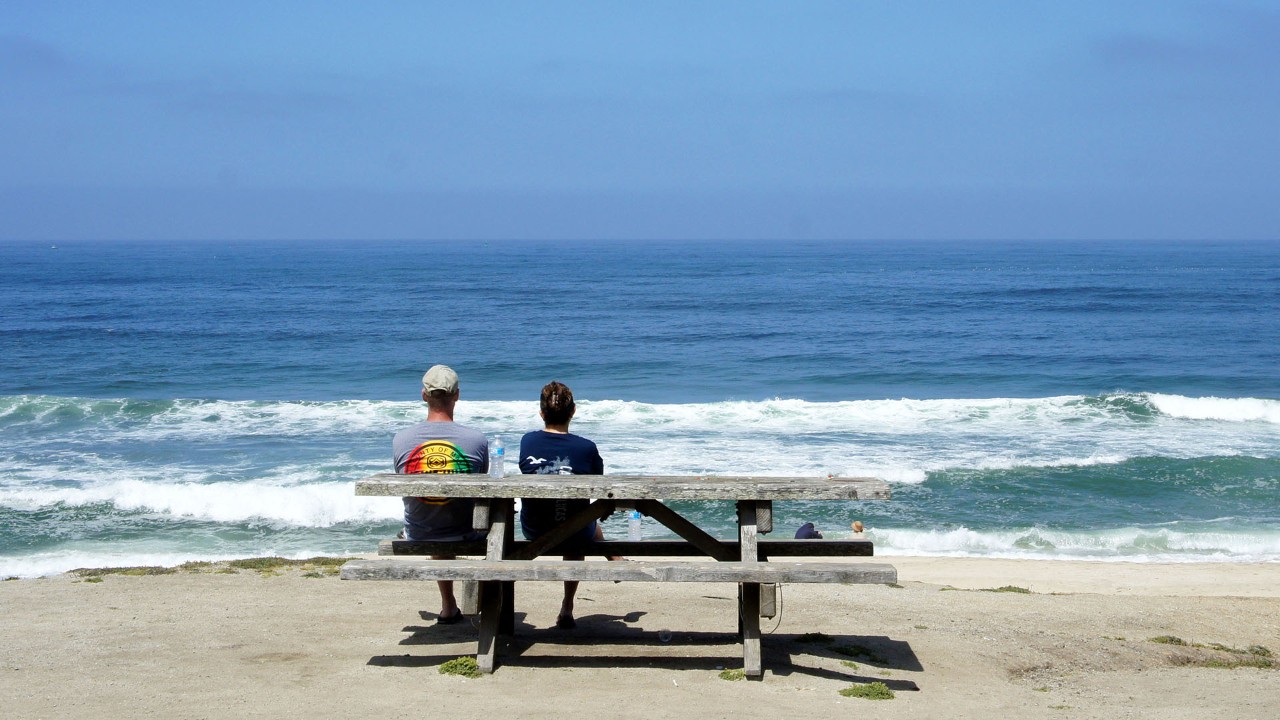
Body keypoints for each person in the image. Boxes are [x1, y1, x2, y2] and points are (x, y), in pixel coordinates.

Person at [392, 364, 488, 625]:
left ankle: (448, 605)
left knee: (435, 514)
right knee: (461, 515)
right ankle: (481, 608)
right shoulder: (476, 440)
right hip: (467, 531)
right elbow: (484, 489)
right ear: (457, 395)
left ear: (424, 395)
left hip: (419, 530)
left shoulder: (401, 440)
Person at [518, 381, 605, 630]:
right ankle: (567, 605)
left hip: (535, 531)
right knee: (582, 520)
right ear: (573, 411)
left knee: (577, 519)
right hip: (575, 533)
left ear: (542, 413)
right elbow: (600, 487)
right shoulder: (586, 448)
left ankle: (615, 557)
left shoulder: (528, 442)